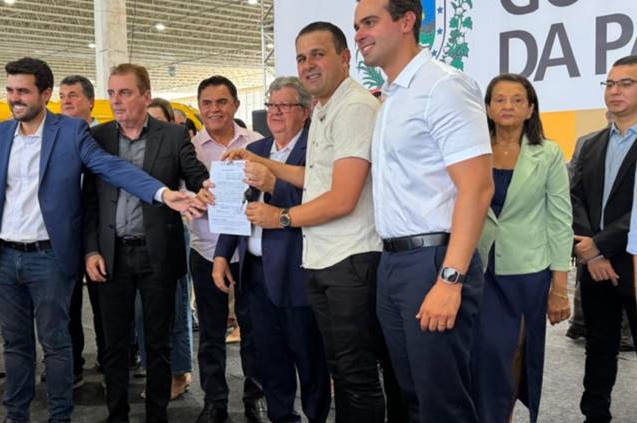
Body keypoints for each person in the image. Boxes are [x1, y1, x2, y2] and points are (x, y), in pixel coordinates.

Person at [0, 57, 195, 423]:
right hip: (5, 257)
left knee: (57, 345)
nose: (14, 98)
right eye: (10, 90)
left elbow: (113, 168)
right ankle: (16, 415)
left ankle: (60, 416)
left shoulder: (71, 132)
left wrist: (162, 193)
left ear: (45, 94)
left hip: (49, 257)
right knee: (14, 345)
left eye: (23, 91)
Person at [218, 21, 405, 422]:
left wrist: (280, 216)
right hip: (323, 258)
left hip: (350, 259)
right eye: (302, 57)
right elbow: (315, 177)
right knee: (341, 369)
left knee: (355, 374)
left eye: (318, 54)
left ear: (345, 58)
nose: (308, 65)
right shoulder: (325, 108)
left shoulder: (354, 107)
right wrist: (259, 160)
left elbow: (342, 197)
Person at [354, 1, 494, 421]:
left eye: (370, 22)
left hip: (433, 261)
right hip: (393, 262)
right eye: (357, 25)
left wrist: (450, 279)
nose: (359, 34)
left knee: (442, 404)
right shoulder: (392, 97)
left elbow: (477, 187)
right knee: (413, 398)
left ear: (407, 21)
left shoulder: (443, 86)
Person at [82, 63, 208, 423]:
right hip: (112, 254)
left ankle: (157, 414)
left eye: (125, 92)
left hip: (159, 253)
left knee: (158, 342)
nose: (116, 101)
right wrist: (91, 249)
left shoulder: (173, 135)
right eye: (111, 93)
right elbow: (88, 201)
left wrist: (208, 188)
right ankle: (117, 415)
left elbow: (195, 175)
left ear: (146, 95)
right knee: (114, 344)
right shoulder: (97, 138)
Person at [213, 76, 330, 423]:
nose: (275, 112)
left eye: (285, 106)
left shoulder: (317, 149)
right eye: (271, 105)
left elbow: (323, 201)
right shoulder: (259, 148)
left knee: (310, 361)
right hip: (255, 273)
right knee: (270, 359)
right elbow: (235, 204)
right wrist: (221, 255)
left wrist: (275, 185)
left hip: (299, 272)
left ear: (305, 111)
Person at [471, 74, 573, 422]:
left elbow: (560, 221)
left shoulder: (549, 153)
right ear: (488, 108)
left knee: (514, 352)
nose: (508, 106)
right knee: (485, 352)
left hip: (527, 272)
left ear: (530, 109)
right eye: (499, 99)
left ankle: (502, 416)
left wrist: (559, 288)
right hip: (479, 267)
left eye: (517, 100)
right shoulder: (473, 151)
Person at [189, 75, 266, 423]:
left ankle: (255, 397)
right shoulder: (190, 149)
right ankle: (214, 401)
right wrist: (196, 198)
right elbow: (181, 194)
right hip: (206, 250)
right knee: (210, 334)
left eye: (221, 102)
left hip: (249, 253)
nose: (214, 109)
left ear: (235, 104)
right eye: (207, 103)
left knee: (254, 330)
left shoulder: (257, 143)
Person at [570, 55, 637, 422]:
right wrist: (591, 253)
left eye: (626, 83)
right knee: (598, 348)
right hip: (594, 266)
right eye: (610, 84)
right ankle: (595, 415)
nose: (615, 90)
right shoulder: (591, 144)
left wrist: (601, 245)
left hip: (632, 262)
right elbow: (573, 197)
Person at [140, 95, 195, 401]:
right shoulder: (133, 148)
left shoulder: (177, 147)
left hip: (171, 233)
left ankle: (179, 372)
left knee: (176, 306)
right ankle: (155, 371)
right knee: (143, 312)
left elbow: (193, 183)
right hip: (139, 237)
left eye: (158, 121)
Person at [57, 74, 104, 389]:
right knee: (67, 305)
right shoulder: (55, 139)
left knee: (105, 305)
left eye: (72, 95)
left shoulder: (105, 137)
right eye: (62, 96)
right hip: (65, 235)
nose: (66, 101)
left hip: (101, 232)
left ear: (90, 101)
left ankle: (112, 360)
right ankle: (71, 365)